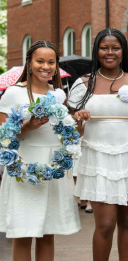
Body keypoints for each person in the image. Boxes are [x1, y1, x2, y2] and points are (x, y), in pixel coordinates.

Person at [67, 28, 128, 261]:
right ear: (97, 50)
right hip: (97, 157)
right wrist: (79, 121)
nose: (110, 52)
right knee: (104, 224)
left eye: (115, 47)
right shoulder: (82, 84)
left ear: (123, 51)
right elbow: (71, 132)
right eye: (104, 47)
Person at [0, 40, 81, 261]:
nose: (45, 66)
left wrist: (77, 122)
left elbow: (64, 131)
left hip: (53, 165)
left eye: (51, 62)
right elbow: (3, 138)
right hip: (24, 164)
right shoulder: (13, 94)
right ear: (29, 63)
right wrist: (29, 125)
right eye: (40, 61)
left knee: (48, 233)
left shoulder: (58, 94)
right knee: (23, 233)